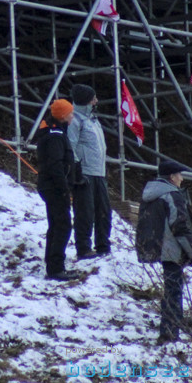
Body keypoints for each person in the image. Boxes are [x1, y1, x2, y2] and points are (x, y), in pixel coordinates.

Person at [141, 160, 192, 345]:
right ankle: (169, 332)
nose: (181, 178)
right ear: (172, 177)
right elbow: (180, 225)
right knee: (174, 291)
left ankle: (174, 326)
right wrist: (191, 251)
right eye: (179, 175)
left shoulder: (152, 193)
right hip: (172, 249)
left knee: (171, 289)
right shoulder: (172, 195)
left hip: (160, 248)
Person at [36, 99, 81, 281]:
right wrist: (64, 188)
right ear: (63, 116)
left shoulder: (56, 132)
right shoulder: (55, 135)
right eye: (70, 113)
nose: (73, 116)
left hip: (53, 186)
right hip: (54, 188)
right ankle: (55, 268)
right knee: (62, 226)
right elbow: (56, 164)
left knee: (56, 225)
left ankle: (53, 265)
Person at [67, 84, 110, 259]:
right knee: (85, 212)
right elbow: (71, 145)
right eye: (93, 98)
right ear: (86, 100)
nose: (96, 101)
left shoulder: (93, 120)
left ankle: (103, 245)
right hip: (84, 172)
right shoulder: (75, 120)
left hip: (98, 172)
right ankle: (84, 247)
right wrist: (77, 169)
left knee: (104, 211)